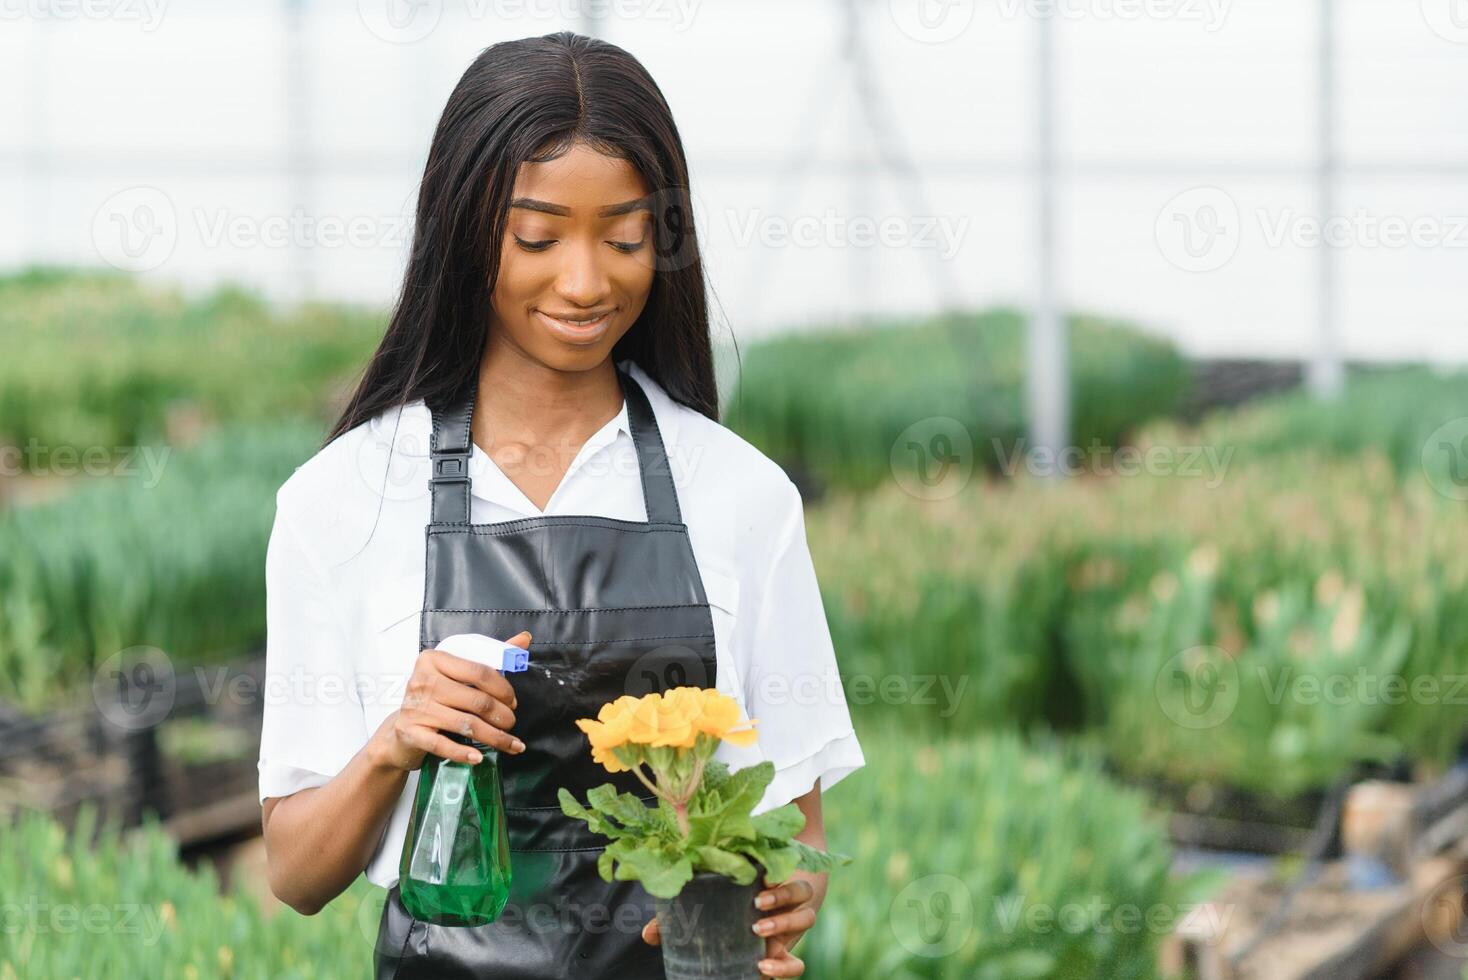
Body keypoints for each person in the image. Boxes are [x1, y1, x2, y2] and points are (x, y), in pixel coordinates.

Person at [256, 30, 864, 980]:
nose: (585, 283)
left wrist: (775, 912)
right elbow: (294, 871)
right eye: (538, 238)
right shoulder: (345, 500)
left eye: (623, 239)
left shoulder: (741, 498)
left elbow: (795, 826)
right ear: (465, 233)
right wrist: (394, 746)